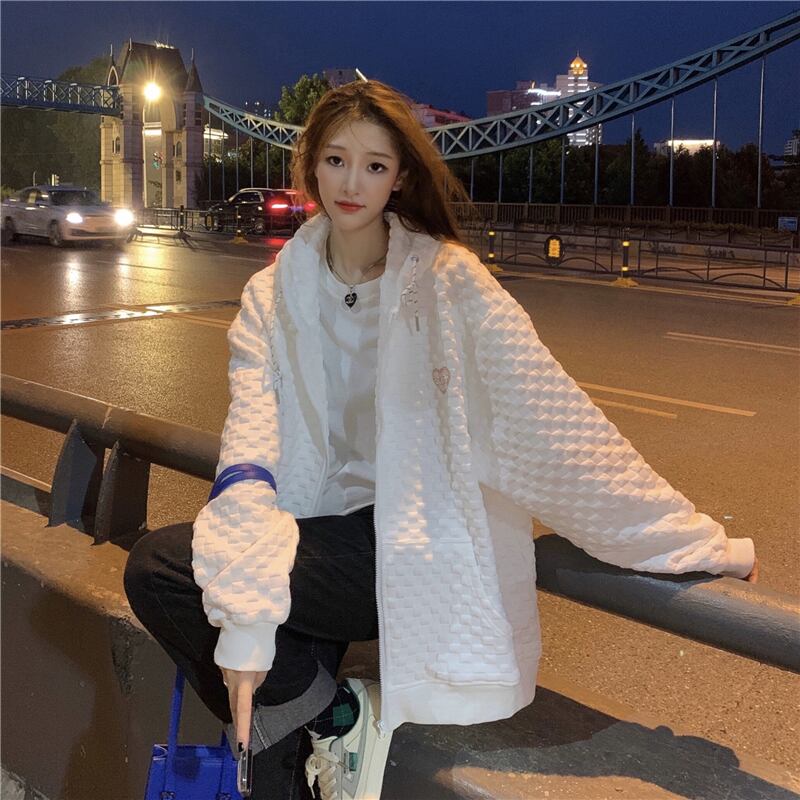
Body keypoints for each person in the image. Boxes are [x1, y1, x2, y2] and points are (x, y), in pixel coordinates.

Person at [124, 80, 758, 800]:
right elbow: (249, 441)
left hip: (404, 547)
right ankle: (331, 722)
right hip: (306, 539)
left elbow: (556, 427)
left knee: (199, 594)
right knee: (202, 613)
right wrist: (245, 578)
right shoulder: (272, 295)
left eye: (374, 165)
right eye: (335, 160)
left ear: (400, 177)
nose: (352, 184)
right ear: (311, 166)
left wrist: (695, 542)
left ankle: (330, 718)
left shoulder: (448, 282)